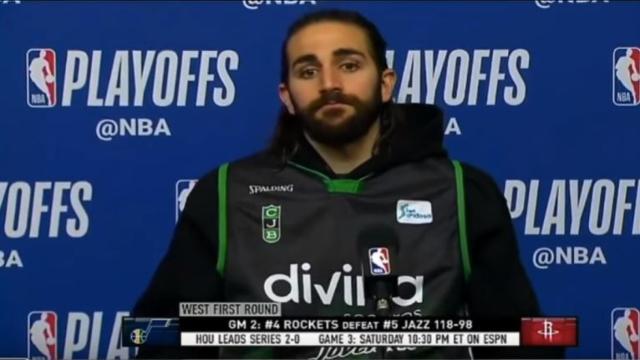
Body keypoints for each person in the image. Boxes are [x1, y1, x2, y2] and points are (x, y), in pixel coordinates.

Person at [133, 9, 564, 359]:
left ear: (386, 82)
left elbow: (524, 344)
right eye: (308, 71)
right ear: (287, 96)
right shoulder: (227, 192)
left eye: (349, 64)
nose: (330, 84)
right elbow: (164, 339)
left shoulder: (462, 191)